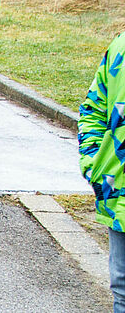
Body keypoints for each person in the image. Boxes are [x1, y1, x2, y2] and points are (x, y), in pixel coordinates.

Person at [78, 33, 125, 313]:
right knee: (122, 288)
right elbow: (93, 108)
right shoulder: (120, 47)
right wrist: (94, 164)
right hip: (119, 194)